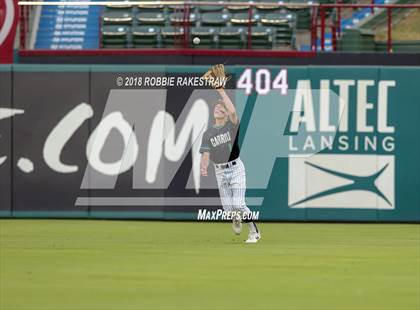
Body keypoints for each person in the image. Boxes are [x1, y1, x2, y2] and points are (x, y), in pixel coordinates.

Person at [199, 87, 261, 243]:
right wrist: (204, 165)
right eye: (217, 107)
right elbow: (206, 153)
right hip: (220, 171)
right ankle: (235, 218)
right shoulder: (208, 133)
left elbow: (233, 112)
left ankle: (254, 232)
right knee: (228, 210)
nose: (219, 108)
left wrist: (221, 92)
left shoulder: (231, 126)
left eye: (222, 107)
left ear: (226, 114)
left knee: (239, 204)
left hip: (235, 168)